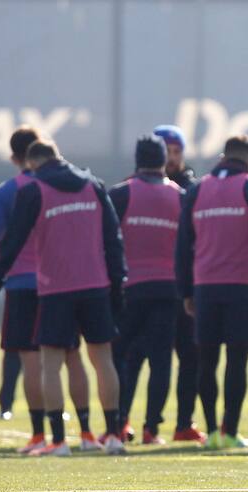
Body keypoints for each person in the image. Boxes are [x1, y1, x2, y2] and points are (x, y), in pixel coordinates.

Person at [0, 139, 127, 456]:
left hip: (55, 289)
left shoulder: (34, 190)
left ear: (32, 163)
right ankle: (112, 435)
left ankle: (58, 441)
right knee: (102, 360)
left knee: (51, 364)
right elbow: (113, 239)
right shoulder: (93, 185)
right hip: (95, 286)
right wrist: (117, 284)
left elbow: (12, 242)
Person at [176, 135, 248, 450]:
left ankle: (212, 431)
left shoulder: (196, 190)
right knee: (236, 360)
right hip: (243, 286)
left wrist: (185, 290)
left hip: (204, 287)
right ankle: (230, 431)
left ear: (224, 156)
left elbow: (183, 246)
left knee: (207, 360)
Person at [109, 135, 182, 445]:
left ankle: (117, 424)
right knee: (161, 361)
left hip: (129, 290)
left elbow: (107, 243)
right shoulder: (181, 196)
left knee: (119, 357)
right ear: (163, 160)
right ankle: (152, 429)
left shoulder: (120, 193)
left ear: (137, 160)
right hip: (168, 290)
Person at [152, 124, 205, 443]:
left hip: (185, 287)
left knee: (190, 358)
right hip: (152, 287)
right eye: (166, 151)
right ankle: (140, 424)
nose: (172, 158)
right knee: (146, 357)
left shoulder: (193, 190)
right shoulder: (137, 186)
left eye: (176, 151)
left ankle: (184, 423)